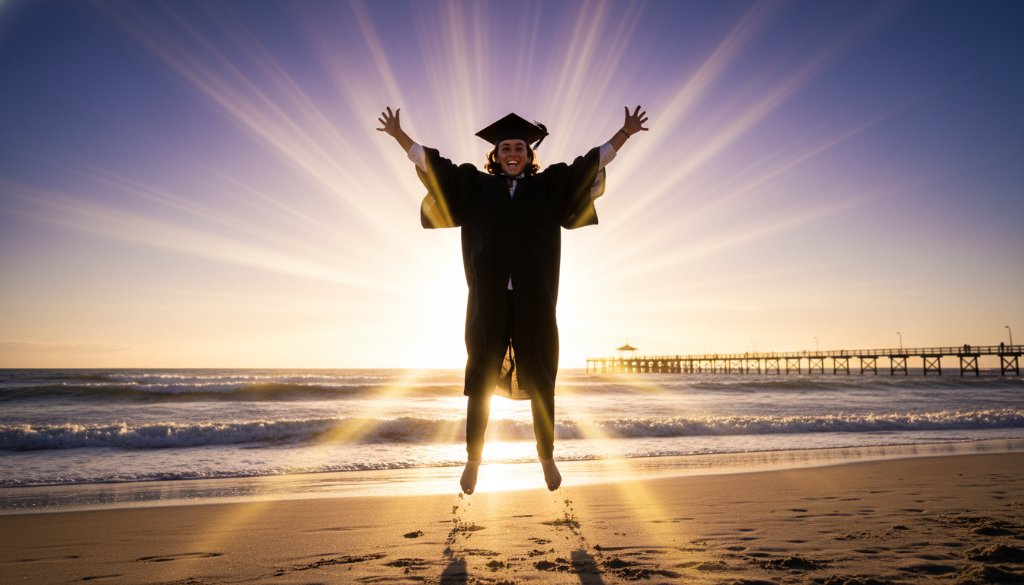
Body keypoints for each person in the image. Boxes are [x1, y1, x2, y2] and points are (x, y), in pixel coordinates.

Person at [378, 106, 648, 494]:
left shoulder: (547, 188)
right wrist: (398, 136)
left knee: (541, 377)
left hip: (534, 302)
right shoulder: (476, 188)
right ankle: (473, 460)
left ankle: (546, 456)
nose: (512, 152)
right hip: (488, 303)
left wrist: (624, 133)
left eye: (519, 146)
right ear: (496, 154)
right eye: (505, 147)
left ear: (528, 154)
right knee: (481, 377)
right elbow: (435, 166)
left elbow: (587, 164)